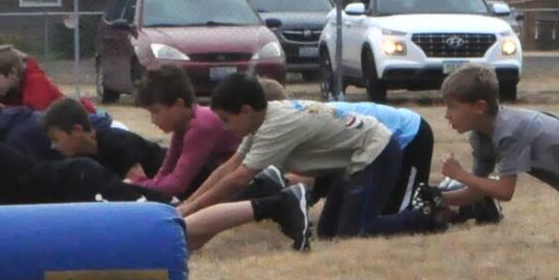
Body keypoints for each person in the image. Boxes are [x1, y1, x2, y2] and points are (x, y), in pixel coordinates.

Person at [0, 87, 310, 249]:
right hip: (74, 185)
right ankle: (267, 194)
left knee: (171, 221)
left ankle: (276, 201)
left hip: (77, 185)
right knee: (174, 219)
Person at [186, 75, 439, 239]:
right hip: (352, 160)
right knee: (328, 233)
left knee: (355, 233)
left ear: (246, 111)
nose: (224, 128)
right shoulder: (261, 120)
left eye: (226, 120)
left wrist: (192, 210)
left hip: (376, 151)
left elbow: (237, 181)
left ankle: (425, 215)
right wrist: (186, 205)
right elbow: (228, 168)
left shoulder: (276, 125)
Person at [430, 65, 559, 234]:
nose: (447, 115)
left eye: (453, 107)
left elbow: (504, 191)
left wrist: (459, 174)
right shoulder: (481, 137)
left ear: (480, 107)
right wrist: (439, 198)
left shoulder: (509, 131)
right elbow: (477, 191)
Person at [135, 67, 236, 200]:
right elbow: (166, 169)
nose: (153, 120)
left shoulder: (201, 126)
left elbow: (177, 184)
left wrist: (139, 184)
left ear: (178, 104)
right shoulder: (183, 125)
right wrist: (147, 186)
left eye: (155, 111)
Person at [40, 98, 167, 181]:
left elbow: (140, 185)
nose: (53, 146)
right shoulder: (81, 158)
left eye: (56, 139)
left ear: (77, 131)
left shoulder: (115, 143)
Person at [0, 44, 63, 111]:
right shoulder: (10, 88)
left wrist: (1, 109)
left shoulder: (37, 82)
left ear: (13, 73)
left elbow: (33, 119)